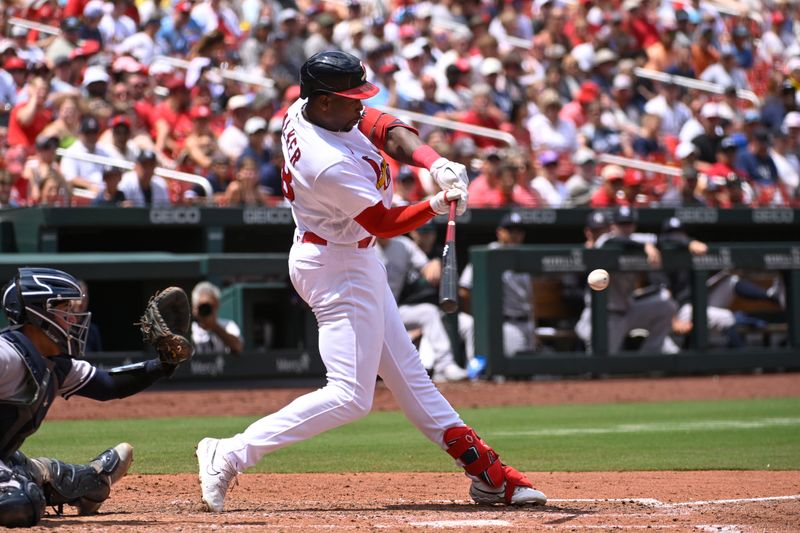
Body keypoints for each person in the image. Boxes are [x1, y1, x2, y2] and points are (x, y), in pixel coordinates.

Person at [196, 50, 546, 513]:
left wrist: (432, 160)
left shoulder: (309, 111)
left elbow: (381, 125)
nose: (360, 106)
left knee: (413, 382)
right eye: (349, 99)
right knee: (349, 396)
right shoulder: (326, 161)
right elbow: (382, 222)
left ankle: (488, 475)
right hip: (336, 264)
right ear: (322, 102)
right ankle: (229, 452)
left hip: (349, 257)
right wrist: (436, 205)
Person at [0, 268, 186, 527]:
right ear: (37, 313)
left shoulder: (54, 364)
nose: (72, 319)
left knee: (35, 475)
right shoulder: (6, 354)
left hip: (5, 456)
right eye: (64, 309)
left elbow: (108, 384)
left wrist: (163, 364)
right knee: (20, 503)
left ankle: (93, 479)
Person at [574, 206, 679, 355]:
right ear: (612, 226)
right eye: (621, 224)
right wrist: (646, 245)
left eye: (629, 224)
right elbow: (619, 241)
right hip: (604, 316)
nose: (626, 228)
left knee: (667, 306)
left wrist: (690, 243)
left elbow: (666, 239)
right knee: (600, 367)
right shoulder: (605, 240)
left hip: (629, 310)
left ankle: (648, 359)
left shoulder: (636, 239)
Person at [459, 212, 536, 358]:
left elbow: (530, 299)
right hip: (505, 323)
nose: (515, 235)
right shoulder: (488, 254)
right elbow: (464, 290)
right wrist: (481, 320)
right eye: (510, 231)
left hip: (526, 323)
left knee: (528, 372)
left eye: (519, 231)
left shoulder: (524, 255)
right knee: (514, 370)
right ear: (499, 232)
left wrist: (534, 328)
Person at [190, 281, 243, 355]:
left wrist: (214, 326)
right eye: (202, 307)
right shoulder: (188, 329)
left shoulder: (228, 325)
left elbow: (238, 347)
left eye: (210, 307)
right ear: (194, 307)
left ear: (217, 306)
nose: (206, 310)